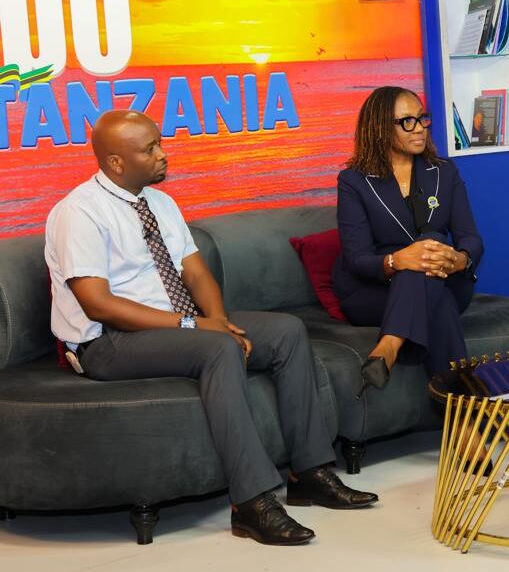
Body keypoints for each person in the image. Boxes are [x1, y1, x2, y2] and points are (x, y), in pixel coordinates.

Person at [44, 110, 378, 546]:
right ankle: (251, 503)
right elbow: (98, 304)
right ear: (116, 162)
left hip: (172, 327)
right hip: (107, 343)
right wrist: (199, 328)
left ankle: (309, 472)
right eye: (150, 149)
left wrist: (217, 321)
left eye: (160, 142)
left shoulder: (160, 203)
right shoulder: (78, 213)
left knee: (286, 332)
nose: (163, 154)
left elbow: (196, 273)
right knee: (218, 349)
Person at [332, 86, 483, 389]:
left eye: (422, 118)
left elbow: (471, 238)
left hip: (444, 276)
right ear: (379, 128)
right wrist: (398, 261)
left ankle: (390, 344)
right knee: (437, 299)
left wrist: (459, 260)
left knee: (431, 244)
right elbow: (358, 259)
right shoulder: (353, 181)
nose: (419, 129)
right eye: (407, 122)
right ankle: (465, 412)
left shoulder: (444, 172)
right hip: (375, 289)